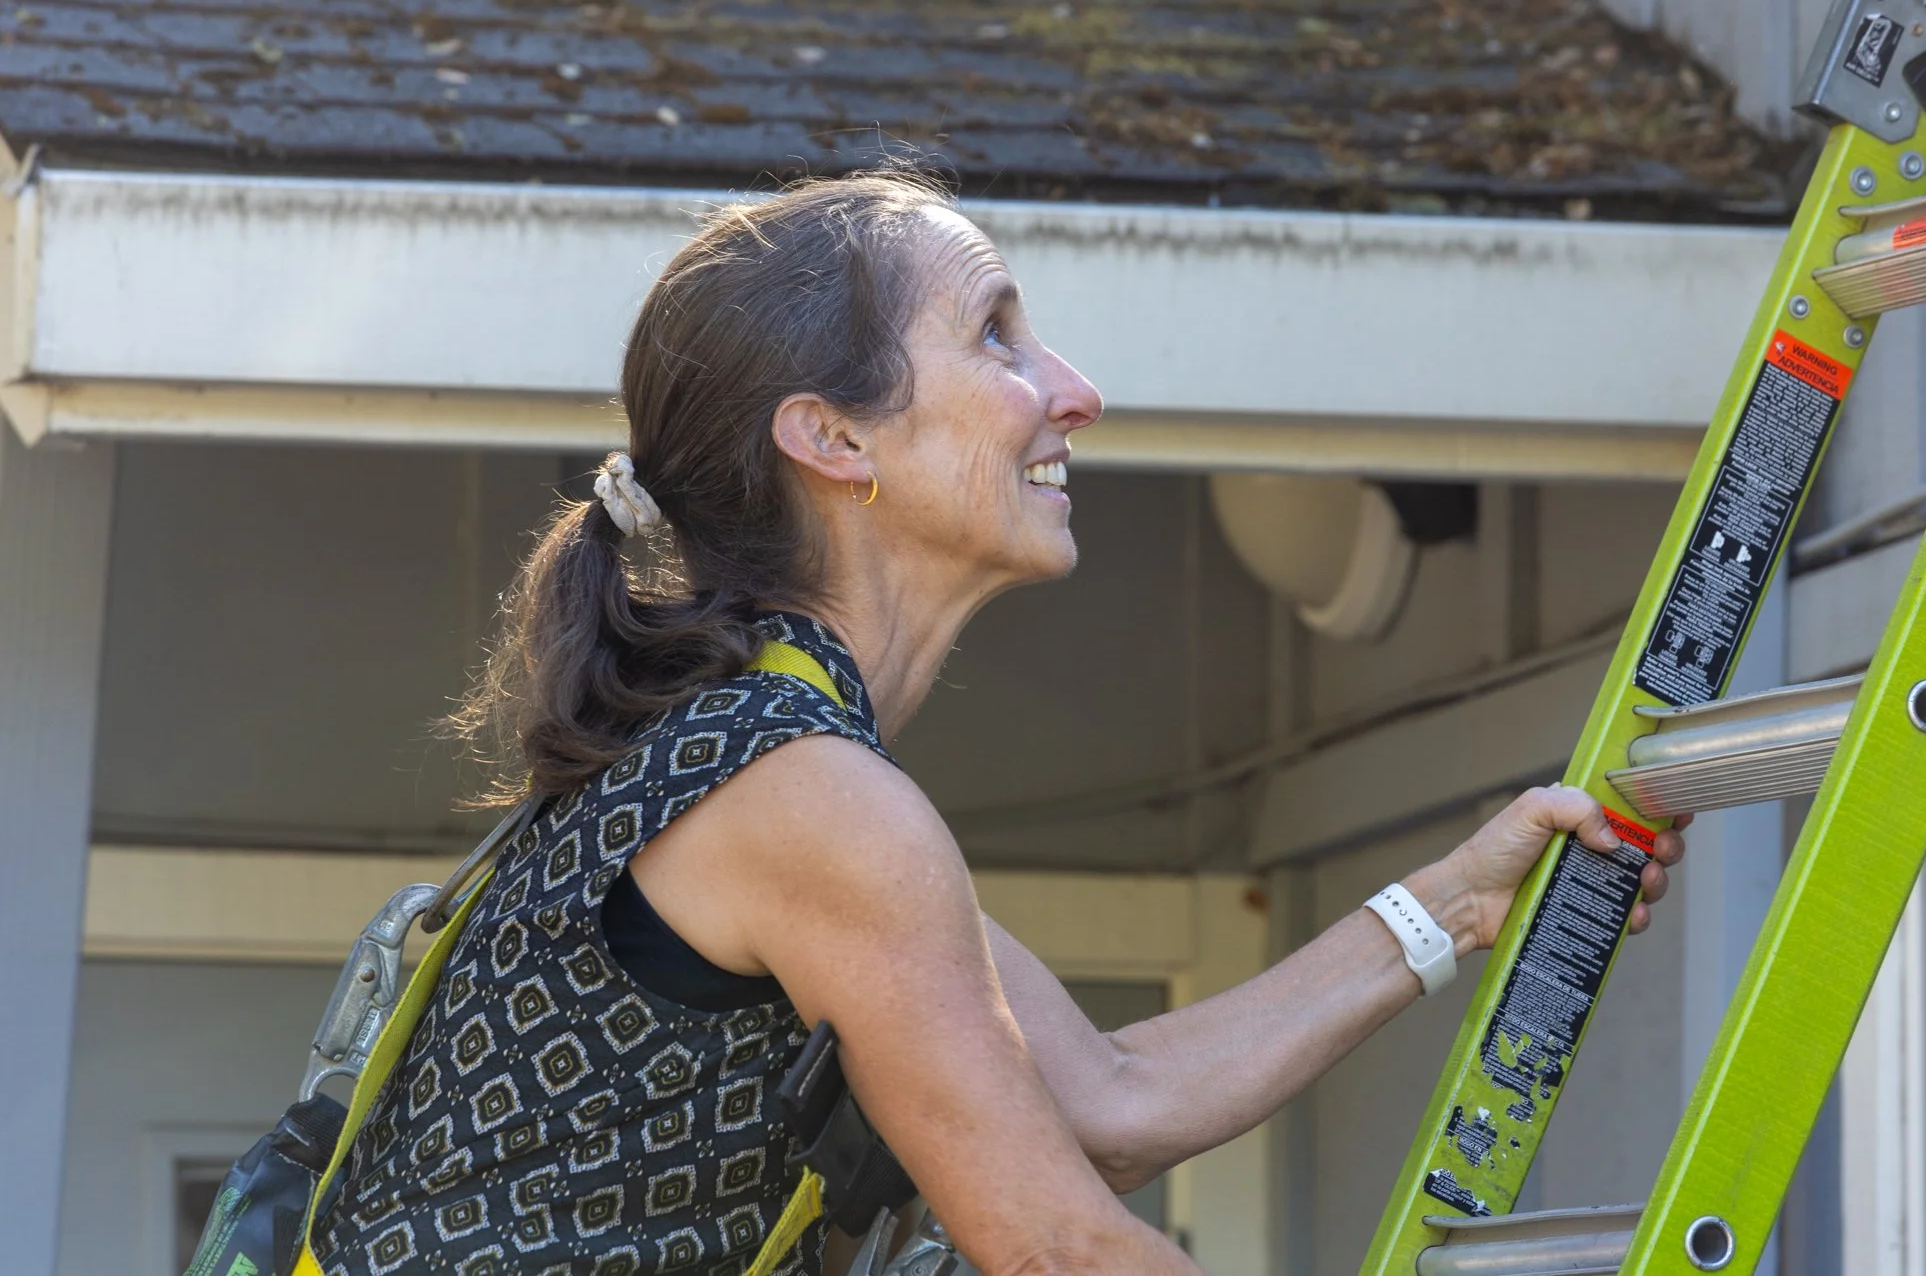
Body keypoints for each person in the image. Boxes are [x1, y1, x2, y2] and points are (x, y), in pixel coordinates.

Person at [310, 170, 1684, 1275]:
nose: (1072, 389)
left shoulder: (761, 760)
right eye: (995, 334)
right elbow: (1047, 1241)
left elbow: (1106, 1100)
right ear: (834, 441)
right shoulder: (803, 796)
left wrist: (1449, 903)